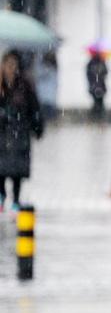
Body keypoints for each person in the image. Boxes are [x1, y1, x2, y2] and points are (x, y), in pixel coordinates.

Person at [0, 51, 43, 212]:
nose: (11, 68)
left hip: (20, 134)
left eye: (13, 65)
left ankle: (16, 199)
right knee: (1, 168)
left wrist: (38, 126)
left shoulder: (24, 85)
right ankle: (2, 195)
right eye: (8, 64)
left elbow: (34, 108)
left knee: (17, 170)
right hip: (2, 134)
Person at [86, 50, 107, 119]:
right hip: (96, 86)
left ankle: (97, 116)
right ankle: (96, 116)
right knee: (97, 102)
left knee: (99, 102)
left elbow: (105, 73)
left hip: (98, 86)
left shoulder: (101, 62)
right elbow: (90, 75)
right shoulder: (93, 63)